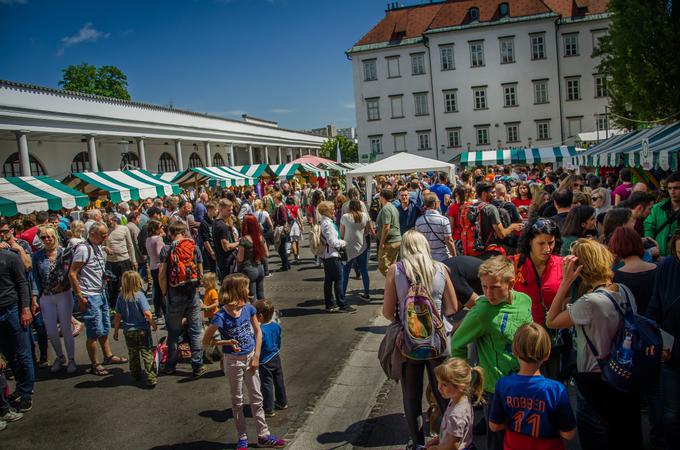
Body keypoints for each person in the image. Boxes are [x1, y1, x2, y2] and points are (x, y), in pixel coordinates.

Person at [546, 239, 643, 450]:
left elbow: (551, 320)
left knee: (595, 437)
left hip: (594, 378)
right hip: (625, 372)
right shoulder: (624, 290)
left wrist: (565, 283)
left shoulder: (590, 303)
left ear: (581, 268)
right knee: (624, 434)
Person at [383, 230, 458, 447]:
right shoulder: (441, 268)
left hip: (409, 341)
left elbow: (388, 312)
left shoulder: (395, 271)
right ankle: (449, 439)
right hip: (439, 340)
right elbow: (452, 307)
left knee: (411, 396)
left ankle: (417, 443)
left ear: (404, 248)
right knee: (444, 391)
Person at [451, 256, 533, 450]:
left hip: (525, 384)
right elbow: (457, 343)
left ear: (511, 283)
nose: (488, 293)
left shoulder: (525, 300)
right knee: (497, 441)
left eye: (494, 287)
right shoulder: (482, 311)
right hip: (496, 390)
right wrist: (465, 382)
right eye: (484, 287)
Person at [202, 274, 285, 449]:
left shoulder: (249, 309)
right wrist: (226, 342)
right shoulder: (221, 315)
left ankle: (263, 435)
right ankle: (242, 437)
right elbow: (206, 340)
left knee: (257, 397)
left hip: (250, 358)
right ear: (238, 290)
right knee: (237, 400)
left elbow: (258, 332)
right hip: (232, 361)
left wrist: (256, 356)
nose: (249, 290)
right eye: (246, 287)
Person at [489, 323, 577, 449]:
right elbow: (568, 433)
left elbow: (494, 425)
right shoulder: (555, 389)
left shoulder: (503, 384)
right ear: (547, 354)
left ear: (514, 351)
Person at [512, 219, 570, 381]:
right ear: (529, 242)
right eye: (541, 243)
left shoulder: (561, 265)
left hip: (554, 338)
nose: (547, 248)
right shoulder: (515, 264)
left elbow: (569, 298)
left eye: (551, 243)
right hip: (524, 337)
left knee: (553, 382)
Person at [69, 222, 128, 377]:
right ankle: (95, 364)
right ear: (92, 234)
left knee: (104, 327)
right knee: (94, 331)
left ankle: (108, 356)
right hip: (89, 295)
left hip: (100, 293)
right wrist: (80, 296)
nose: (105, 237)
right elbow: (72, 273)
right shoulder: (82, 249)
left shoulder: (96, 246)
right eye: (102, 235)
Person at [646, 230, 680, 447]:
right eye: (679, 252)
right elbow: (654, 307)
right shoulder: (668, 267)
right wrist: (659, 341)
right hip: (671, 355)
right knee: (672, 414)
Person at [158, 221, 205, 378]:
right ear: (184, 232)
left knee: (173, 332)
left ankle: (170, 366)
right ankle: (197, 365)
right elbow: (200, 272)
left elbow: (162, 275)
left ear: (170, 233)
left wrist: (165, 293)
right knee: (196, 331)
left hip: (174, 293)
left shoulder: (166, 249)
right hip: (192, 293)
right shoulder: (194, 247)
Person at [30, 226, 77, 374]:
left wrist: (63, 284)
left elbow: (71, 273)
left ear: (55, 236)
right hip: (47, 297)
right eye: (44, 237)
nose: (48, 240)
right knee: (50, 330)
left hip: (64, 294)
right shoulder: (37, 256)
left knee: (65, 328)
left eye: (50, 236)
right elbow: (35, 279)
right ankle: (60, 356)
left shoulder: (64, 252)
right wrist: (34, 298)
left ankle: (71, 359)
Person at [0, 239, 34, 413]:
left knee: (23, 354)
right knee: (9, 355)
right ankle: (21, 387)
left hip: (13, 310)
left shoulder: (9, 257)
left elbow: (23, 283)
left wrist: (26, 308)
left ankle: (27, 393)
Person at [425, 358, 484, 450]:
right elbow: (450, 434)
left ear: (461, 386)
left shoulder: (456, 416)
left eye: (444, 384)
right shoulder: (461, 399)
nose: (439, 387)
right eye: (438, 382)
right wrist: (438, 439)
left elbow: (453, 446)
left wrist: (436, 448)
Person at [113, 271, 158, 387]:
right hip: (142, 329)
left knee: (133, 354)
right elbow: (147, 313)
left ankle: (135, 374)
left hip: (128, 331)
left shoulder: (121, 297)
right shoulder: (139, 295)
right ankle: (151, 377)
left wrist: (116, 330)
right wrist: (153, 324)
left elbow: (118, 316)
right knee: (147, 352)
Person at [609, 227, 657, 315]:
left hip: (632, 325)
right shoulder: (658, 269)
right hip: (658, 324)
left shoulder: (614, 276)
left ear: (616, 247)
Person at [317, 201, 355, 313]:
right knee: (338, 280)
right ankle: (342, 304)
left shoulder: (324, 222)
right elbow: (333, 242)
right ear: (326, 211)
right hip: (332, 255)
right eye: (332, 209)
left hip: (327, 255)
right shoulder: (328, 224)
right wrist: (343, 242)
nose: (334, 211)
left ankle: (329, 304)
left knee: (329, 280)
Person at [254, 299, 288, 418]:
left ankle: (268, 408)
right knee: (279, 380)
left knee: (266, 384)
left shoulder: (260, 331)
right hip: (275, 356)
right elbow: (279, 340)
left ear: (260, 316)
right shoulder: (275, 326)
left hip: (264, 360)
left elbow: (257, 345)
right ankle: (282, 402)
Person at [340, 199, 373, 300]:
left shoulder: (345, 217)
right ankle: (367, 293)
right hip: (362, 246)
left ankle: (342, 295)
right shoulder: (365, 216)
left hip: (348, 247)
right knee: (364, 271)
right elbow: (367, 232)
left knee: (345, 272)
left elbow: (341, 234)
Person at [104, 213, 137, 309]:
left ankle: (130, 303)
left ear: (114, 220)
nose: (108, 224)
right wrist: (104, 247)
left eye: (109, 222)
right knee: (112, 286)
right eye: (106, 222)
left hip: (124, 260)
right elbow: (100, 244)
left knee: (127, 283)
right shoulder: (105, 230)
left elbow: (130, 245)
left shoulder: (124, 229)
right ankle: (115, 307)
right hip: (111, 262)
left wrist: (133, 259)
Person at [644, 171, 680, 257]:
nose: (672, 192)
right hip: (660, 256)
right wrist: (652, 247)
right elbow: (649, 227)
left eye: (676, 188)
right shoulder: (657, 208)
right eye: (670, 188)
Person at [415, 193, 457, 262]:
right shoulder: (443, 220)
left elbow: (418, 241)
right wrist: (454, 257)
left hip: (427, 258)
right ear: (435, 204)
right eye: (438, 201)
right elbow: (449, 240)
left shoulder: (419, 221)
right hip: (443, 258)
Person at [238, 215, 267, 301]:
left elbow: (240, 258)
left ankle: (253, 313)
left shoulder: (244, 240)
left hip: (249, 269)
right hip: (260, 267)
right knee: (261, 293)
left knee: (252, 296)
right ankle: (264, 311)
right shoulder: (260, 237)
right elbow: (266, 253)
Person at [376, 189, 402, 276]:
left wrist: (382, 242)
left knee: (384, 266)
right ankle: (395, 285)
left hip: (390, 241)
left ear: (382, 197)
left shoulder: (386, 208)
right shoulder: (392, 207)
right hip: (395, 240)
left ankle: (394, 284)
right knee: (392, 266)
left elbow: (386, 227)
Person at [213, 199, 240, 282]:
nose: (231, 212)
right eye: (229, 210)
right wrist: (239, 242)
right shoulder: (221, 226)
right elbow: (226, 247)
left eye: (231, 209)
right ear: (221, 210)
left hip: (223, 262)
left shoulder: (215, 222)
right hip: (227, 263)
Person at [145, 220, 167, 321]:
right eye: (160, 227)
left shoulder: (148, 239)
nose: (162, 228)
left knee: (157, 290)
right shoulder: (158, 238)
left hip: (153, 266)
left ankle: (158, 313)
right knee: (162, 290)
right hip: (159, 267)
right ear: (156, 229)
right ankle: (165, 313)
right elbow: (160, 253)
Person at [272, 192, 291, 272]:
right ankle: (287, 264)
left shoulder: (281, 207)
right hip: (281, 228)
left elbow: (284, 219)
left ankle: (285, 265)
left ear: (277, 199)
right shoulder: (279, 206)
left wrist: (276, 222)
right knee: (281, 248)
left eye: (274, 198)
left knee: (281, 248)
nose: (273, 200)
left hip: (281, 229)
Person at [198, 201, 217, 274]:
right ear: (210, 210)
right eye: (215, 209)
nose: (217, 211)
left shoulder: (214, 221)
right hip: (210, 250)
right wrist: (211, 252)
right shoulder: (204, 223)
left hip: (215, 247)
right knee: (213, 270)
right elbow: (205, 240)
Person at [285, 196, 304, 264]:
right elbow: (299, 217)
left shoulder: (286, 208)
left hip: (290, 226)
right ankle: (297, 256)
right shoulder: (296, 208)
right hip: (296, 225)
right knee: (297, 241)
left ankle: (295, 258)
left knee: (292, 241)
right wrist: (302, 226)